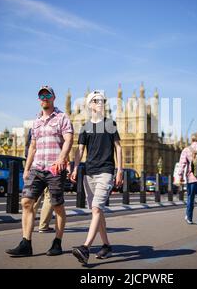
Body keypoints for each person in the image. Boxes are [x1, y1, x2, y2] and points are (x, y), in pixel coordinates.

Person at [6, 85, 73, 256]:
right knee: (26, 202)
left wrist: (62, 157)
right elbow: (33, 147)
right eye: (42, 95)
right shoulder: (35, 122)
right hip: (37, 167)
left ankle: (57, 242)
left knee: (57, 206)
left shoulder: (62, 117)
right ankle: (26, 243)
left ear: (53, 97)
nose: (44, 98)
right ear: (39, 99)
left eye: (47, 95)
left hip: (54, 168)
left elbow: (68, 139)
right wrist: (27, 168)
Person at [70, 90, 123, 265]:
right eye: (97, 100)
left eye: (102, 100)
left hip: (106, 171)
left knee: (96, 208)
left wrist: (120, 170)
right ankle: (107, 245)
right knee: (97, 211)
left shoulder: (110, 124)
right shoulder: (85, 127)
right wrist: (76, 168)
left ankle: (85, 248)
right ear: (90, 104)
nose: (100, 103)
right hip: (89, 173)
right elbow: (79, 150)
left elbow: (119, 148)